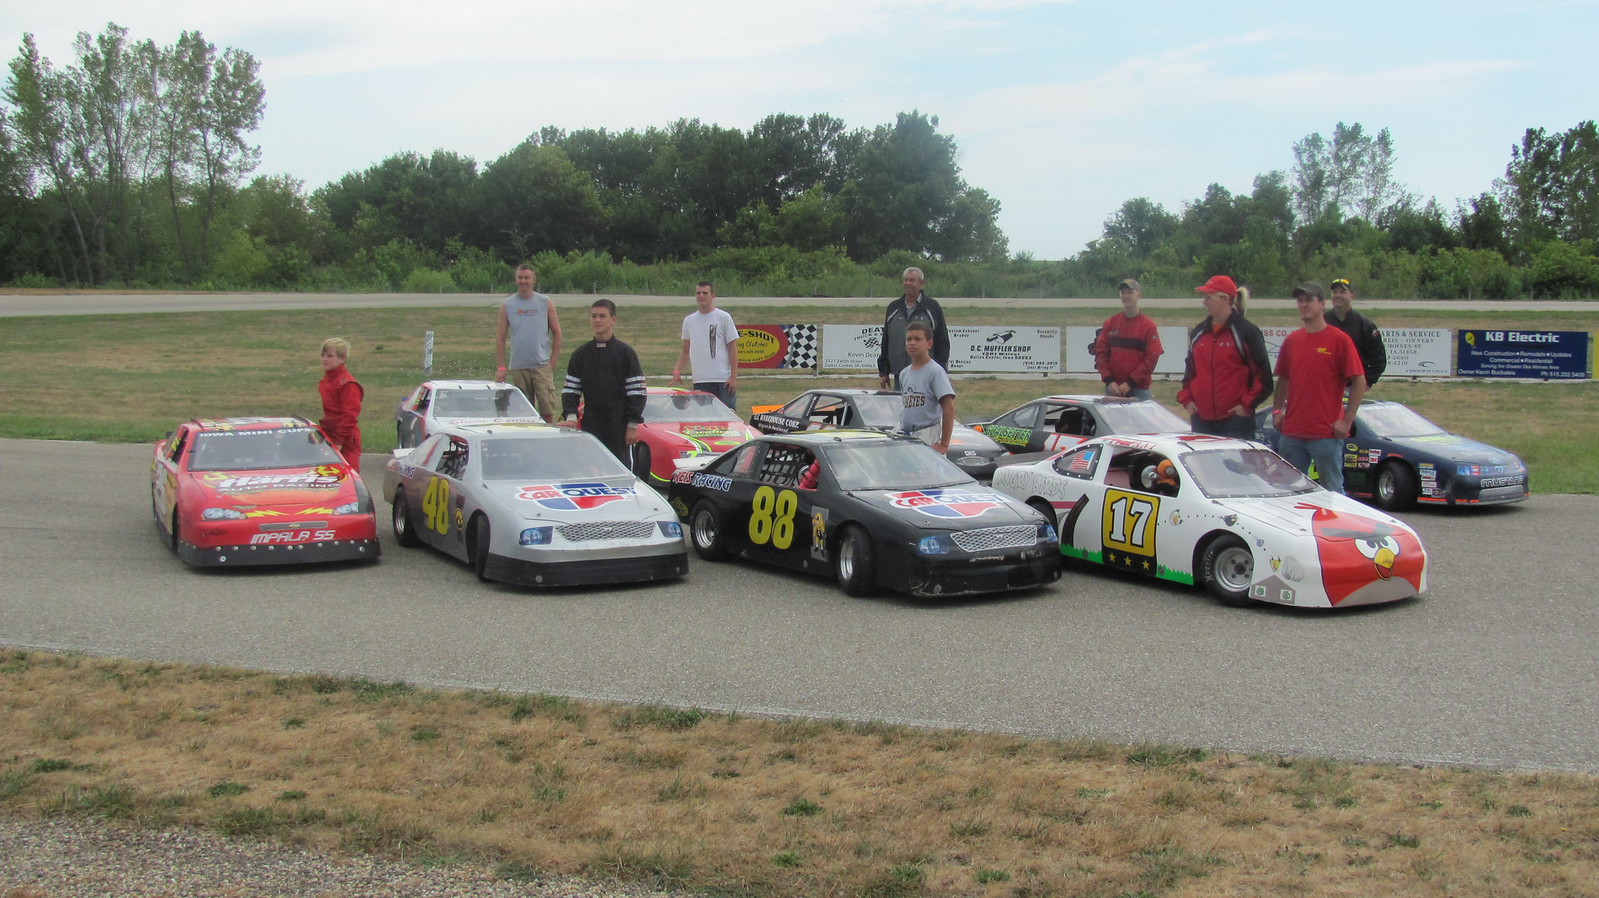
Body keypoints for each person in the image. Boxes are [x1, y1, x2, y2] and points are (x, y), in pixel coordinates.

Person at [1271, 282, 1368, 493]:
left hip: (1325, 434)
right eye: (1300, 301)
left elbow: (1359, 381)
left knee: (1332, 492)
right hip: (1292, 433)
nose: (1304, 305)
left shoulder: (1339, 340)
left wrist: (1347, 420)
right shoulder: (1292, 341)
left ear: (1322, 304)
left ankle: (1337, 527)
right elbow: (1283, 379)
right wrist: (1277, 410)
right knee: (1289, 494)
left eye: (1309, 300)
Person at [1177, 275, 1272, 439]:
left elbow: (1263, 378)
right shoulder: (1199, 332)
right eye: (1204, 297)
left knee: (1236, 466)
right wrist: (1187, 400)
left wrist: (1245, 406)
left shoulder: (1246, 332)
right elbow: (1190, 373)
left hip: (1236, 421)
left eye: (1209, 297)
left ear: (1225, 299)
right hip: (1202, 419)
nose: (1205, 302)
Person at [561, 299, 647, 466]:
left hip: (619, 424)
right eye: (594, 316)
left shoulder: (625, 353)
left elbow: (637, 392)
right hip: (591, 422)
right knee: (592, 467)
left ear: (613, 320)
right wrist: (571, 416)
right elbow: (571, 390)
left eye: (602, 316)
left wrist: (632, 424)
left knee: (621, 468)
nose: (597, 320)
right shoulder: (580, 354)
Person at [495, 264, 563, 423]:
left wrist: (552, 361)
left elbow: (557, 333)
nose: (523, 281)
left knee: (546, 409)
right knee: (525, 411)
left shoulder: (545, 302)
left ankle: (548, 439)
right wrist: (502, 367)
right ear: (516, 279)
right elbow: (500, 338)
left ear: (533, 280)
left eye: (527, 278)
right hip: (519, 366)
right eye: (520, 277)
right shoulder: (508, 305)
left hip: (541, 365)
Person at [668, 282, 739, 409]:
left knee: (727, 421)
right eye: (698, 293)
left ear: (713, 296)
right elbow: (685, 350)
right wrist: (677, 371)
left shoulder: (723, 317)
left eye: (705, 293)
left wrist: (733, 377)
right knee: (705, 421)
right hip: (701, 380)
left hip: (723, 380)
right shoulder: (689, 321)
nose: (701, 296)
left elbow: (732, 349)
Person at [877, 267, 949, 390]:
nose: (908, 283)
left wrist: (941, 369)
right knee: (902, 407)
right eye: (905, 280)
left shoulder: (932, 307)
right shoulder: (893, 308)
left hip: (926, 372)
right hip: (900, 373)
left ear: (921, 284)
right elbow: (886, 341)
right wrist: (884, 371)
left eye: (912, 280)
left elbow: (942, 339)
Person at [1094, 278, 1163, 400]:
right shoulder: (1111, 323)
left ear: (1139, 295)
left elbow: (1151, 359)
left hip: (1139, 389)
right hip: (1113, 389)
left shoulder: (1148, 326)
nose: (1126, 296)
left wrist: (1131, 382)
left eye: (1130, 292)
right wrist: (1109, 380)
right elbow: (1101, 354)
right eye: (1123, 293)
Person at [897, 320, 955, 454]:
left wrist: (944, 444)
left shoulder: (935, 372)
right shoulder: (904, 374)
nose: (912, 343)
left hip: (927, 434)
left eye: (917, 339)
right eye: (909, 339)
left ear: (929, 344)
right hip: (907, 434)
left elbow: (949, 408)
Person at [1325, 278, 1387, 388]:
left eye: (1343, 292)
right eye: (1335, 292)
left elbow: (1379, 359)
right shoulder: (1322, 322)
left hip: (1352, 387)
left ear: (1352, 295)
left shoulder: (1364, 325)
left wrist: (1366, 383)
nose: (1337, 295)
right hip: (1325, 386)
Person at [317, 337, 363, 466]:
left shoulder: (348, 384)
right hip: (329, 434)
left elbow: (350, 415)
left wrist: (339, 440)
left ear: (342, 359)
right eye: (323, 355)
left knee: (347, 475)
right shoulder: (327, 381)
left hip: (346, 439)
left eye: (330, 356)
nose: (324, 359)